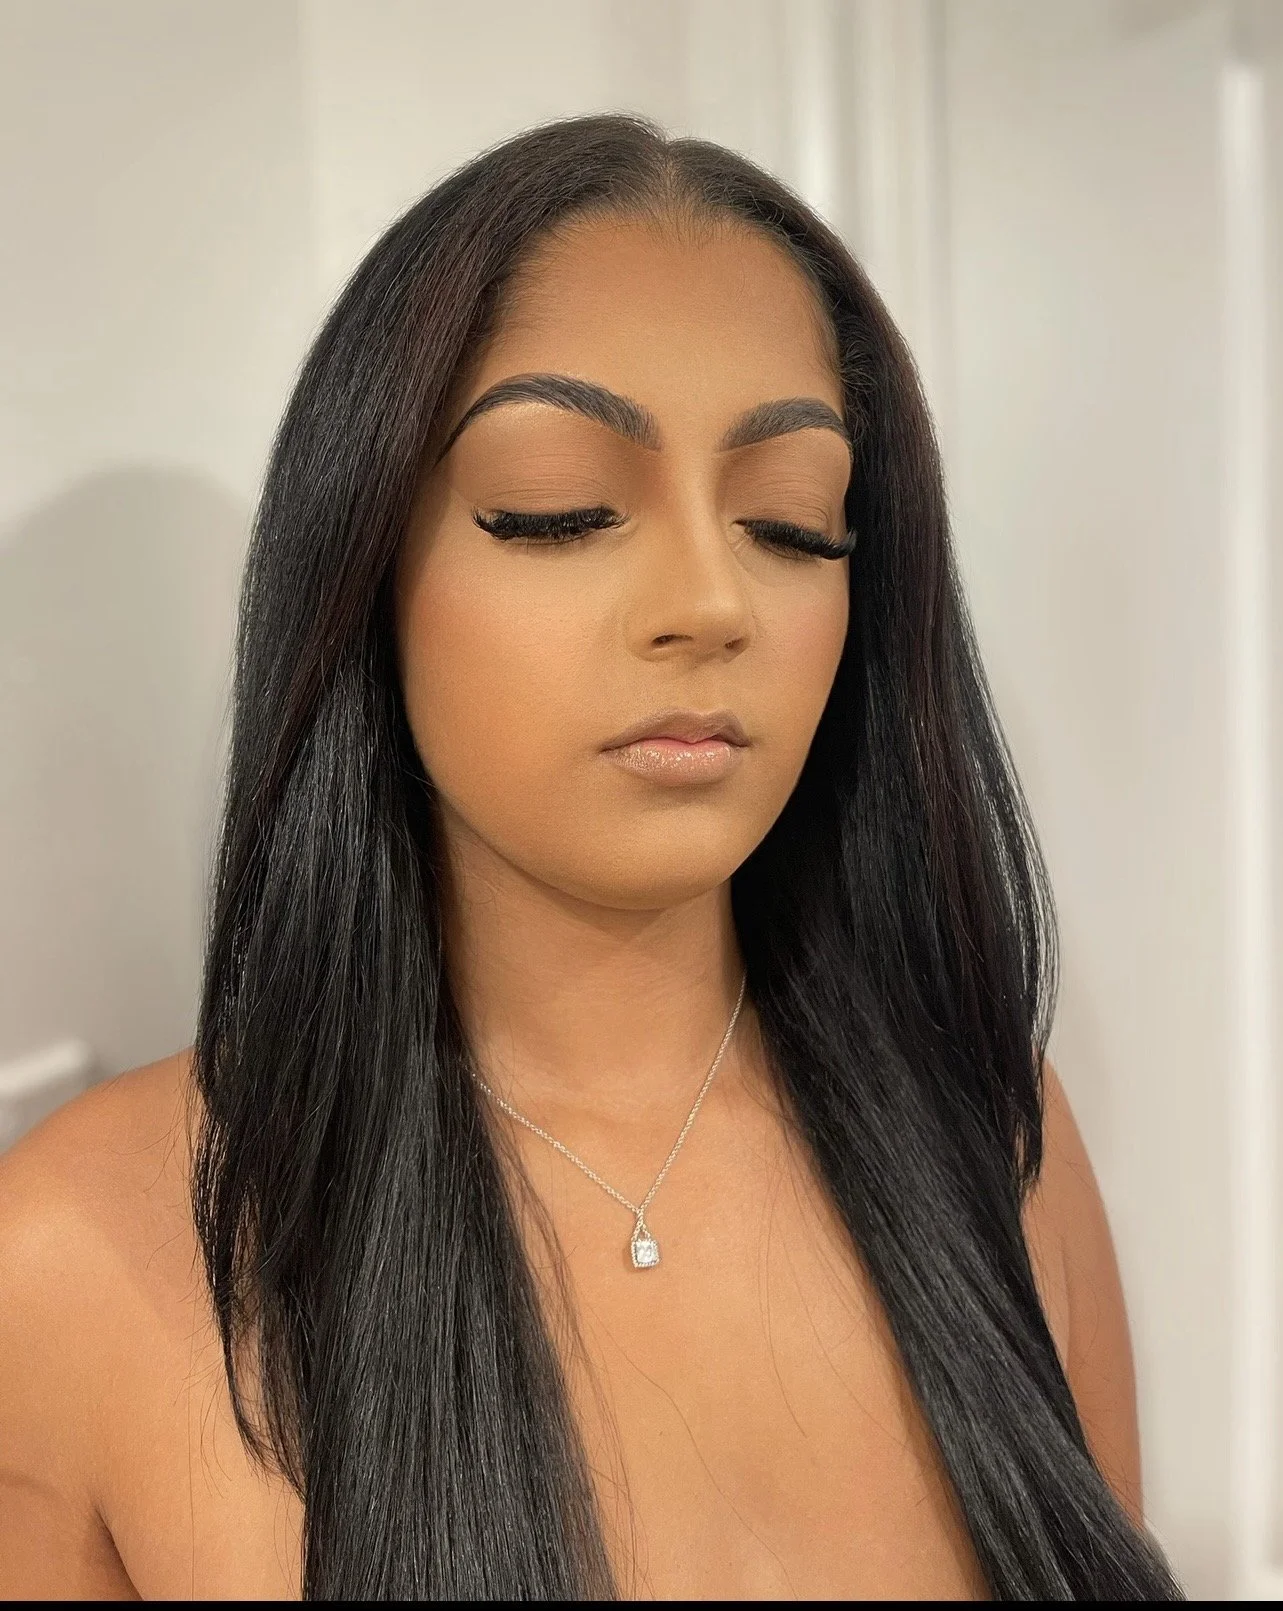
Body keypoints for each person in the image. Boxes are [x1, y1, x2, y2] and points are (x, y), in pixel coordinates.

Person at [0, 114, 1182, 1600]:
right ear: (362, 565)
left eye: (790, 524)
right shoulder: (71, 1261)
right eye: (557, 509)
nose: (711, 601)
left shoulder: (990, 1131)